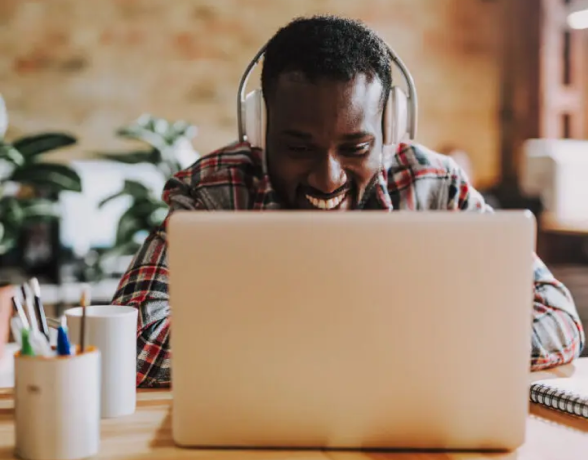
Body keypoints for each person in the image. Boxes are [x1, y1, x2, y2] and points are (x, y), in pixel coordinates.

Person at [112, 15, 585, 388]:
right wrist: (364, 344)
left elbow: (557, 319)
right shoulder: (213, 192)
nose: (327, 177)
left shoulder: (434, 186)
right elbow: (132, 341)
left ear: (391, 132)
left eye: (355, 148)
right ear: (258, 129)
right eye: (298, 148)